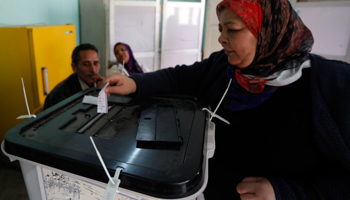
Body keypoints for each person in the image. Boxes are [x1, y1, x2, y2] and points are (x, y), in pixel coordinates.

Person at [103, 0, 350, 199]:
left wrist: (287, 193)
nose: (222, 38)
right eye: (221, 29)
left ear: (267, 30)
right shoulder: (225, 66)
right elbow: (183, 77)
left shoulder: (334, 86)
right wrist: (137, 83)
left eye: (232, 29)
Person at [44, 43, 104, 110]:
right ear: (74, 67)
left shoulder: (100, 84)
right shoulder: (59, 97)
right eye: (86, 64)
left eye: (95, 63)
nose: (93, 70)